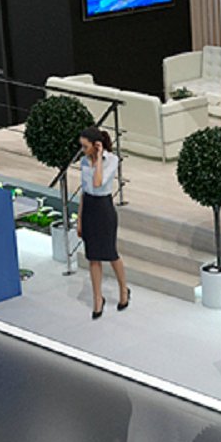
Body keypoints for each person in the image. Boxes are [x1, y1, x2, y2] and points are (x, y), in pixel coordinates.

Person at [77, 129, 130, 318]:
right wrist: (79, 219)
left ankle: (123, 289)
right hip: (89, 208)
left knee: (111, 253)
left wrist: (99, 158)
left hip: (104, 208)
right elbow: (84, 191)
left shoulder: (112, 160)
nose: (83, 150)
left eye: (85, 146)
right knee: (93, 257)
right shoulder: (83, 162)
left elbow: (98, 182)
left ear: (96, 145)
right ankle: (97, 298)